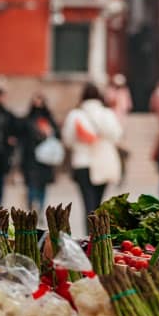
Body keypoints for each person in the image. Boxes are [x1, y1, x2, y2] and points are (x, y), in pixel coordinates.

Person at [62, 83, 123, 218]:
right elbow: (117, 135)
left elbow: (68, 140)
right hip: (103, 163)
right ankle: (98, 234)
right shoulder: (107, 114)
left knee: (87, 204)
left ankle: (89, 236)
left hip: (82, 162)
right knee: (98, 203)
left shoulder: (75, 115)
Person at [20, 93, 60, 214]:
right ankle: (32, 207)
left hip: (45, 159)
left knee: (42, 185)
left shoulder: (49, 120)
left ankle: (40, 209)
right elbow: (23, 138)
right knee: (32, 185)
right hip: (30, 158)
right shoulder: (27, 120)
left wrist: (49, 132)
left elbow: (57, 135)